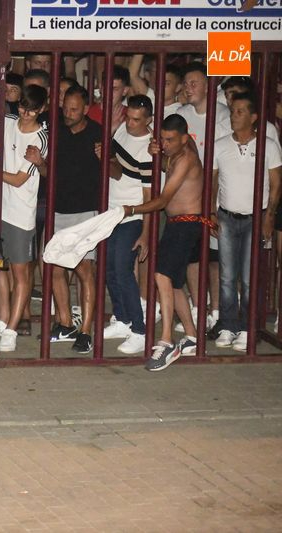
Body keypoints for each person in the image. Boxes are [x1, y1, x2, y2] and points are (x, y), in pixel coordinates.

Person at [124, 114, 205, 371]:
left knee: (161, 276)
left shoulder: (187, 158)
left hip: (186, 223)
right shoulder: (176, 155)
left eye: (170, 140)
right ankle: (191, 336)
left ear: (185, 138)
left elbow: (161, 199)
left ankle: (167, 340)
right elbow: (166, 171)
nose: (165, 143)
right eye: (162, 139)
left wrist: (133, 210)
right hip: (177, 223)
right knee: (175, 283)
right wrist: (158, 155)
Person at [211, 93, 282, 352]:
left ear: (254, 117)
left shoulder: (268, 145)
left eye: (240, 111)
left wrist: (269, 216)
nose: (233, 115)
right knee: (228, 276)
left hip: (256, 218)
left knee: (250, 277)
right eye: (232, 111)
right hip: (227, 216)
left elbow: (276, 184)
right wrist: (210, 212)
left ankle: (246, 327)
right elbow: (212, 181)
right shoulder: (220, 144)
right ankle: (228, 325)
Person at [0, 85, 49, 352]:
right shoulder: (7, 121)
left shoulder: (41, 138)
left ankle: (11, 329)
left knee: (21, 272)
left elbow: (18, 179)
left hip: (22, 213)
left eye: (32, 109)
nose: (26, 113)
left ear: (42, 109)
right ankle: (3, 321)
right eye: (23, 106)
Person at [176, 61, 231, 333]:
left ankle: (218, 312)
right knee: (191, 257)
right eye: (185, 83)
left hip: (216, 198)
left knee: (214, 259)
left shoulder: (223, 115)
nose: (188, 88)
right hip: (187, 198)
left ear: (209, 85)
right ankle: (199, 310)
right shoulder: (181, 114)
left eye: (194, 82)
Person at [48, 85, 102, 354]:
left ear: (85, 109)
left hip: (85, 212)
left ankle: (86, 331)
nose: (67, 113)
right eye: (65, 108)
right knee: (56, 267)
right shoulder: (57, 130)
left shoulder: (97, 133)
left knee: (83, 270)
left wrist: (107, 160)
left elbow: (114, 171)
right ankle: (66, 323)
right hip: (58, 209)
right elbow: (51, 170)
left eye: (73, 109)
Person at [102, 95, 154, 355]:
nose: (131, 124)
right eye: (129, 117)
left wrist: (146, 233)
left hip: (132, 216)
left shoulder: (149, 149)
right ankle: (122, 319)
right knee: (110, 269)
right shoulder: (122, 129)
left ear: (149, 120)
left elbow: (150, 197)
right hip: (112, 212)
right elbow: (115, 170)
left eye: (137, 120)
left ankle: (140, 330)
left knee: (123, 271)